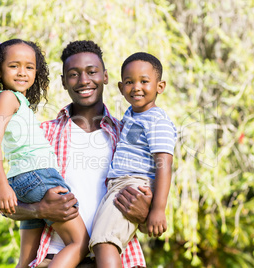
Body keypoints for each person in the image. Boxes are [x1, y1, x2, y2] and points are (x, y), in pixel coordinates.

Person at [4, 40, 152, 268]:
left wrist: (145, 213)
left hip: (119, 260)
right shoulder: (42, 135)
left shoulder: (128, 136)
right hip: (55, 258)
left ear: (105, 76)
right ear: (63, 82)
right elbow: (8, 206)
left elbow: (151, 207)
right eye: (73, 74)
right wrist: (39, 210)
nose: (84, 80)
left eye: (92, 72)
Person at [0, 38, 89, 268]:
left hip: (27, 180)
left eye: (29, 67)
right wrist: (1, 185)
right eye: (14, 66)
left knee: (26, 261)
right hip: (39, 177)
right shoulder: (6, 98)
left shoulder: (17, 101)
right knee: (79, 242)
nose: (22, 72)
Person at [89, 52, 177, 267]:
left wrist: (158, 208)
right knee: (102, 242)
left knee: (105, 242)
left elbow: (164, 164)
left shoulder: (157, 119)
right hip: (120, 184)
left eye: (144, 81)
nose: (136, 87)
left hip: (132, 185)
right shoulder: (132, 114)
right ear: (120, 88)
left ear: (160, 86)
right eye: (129, 82)